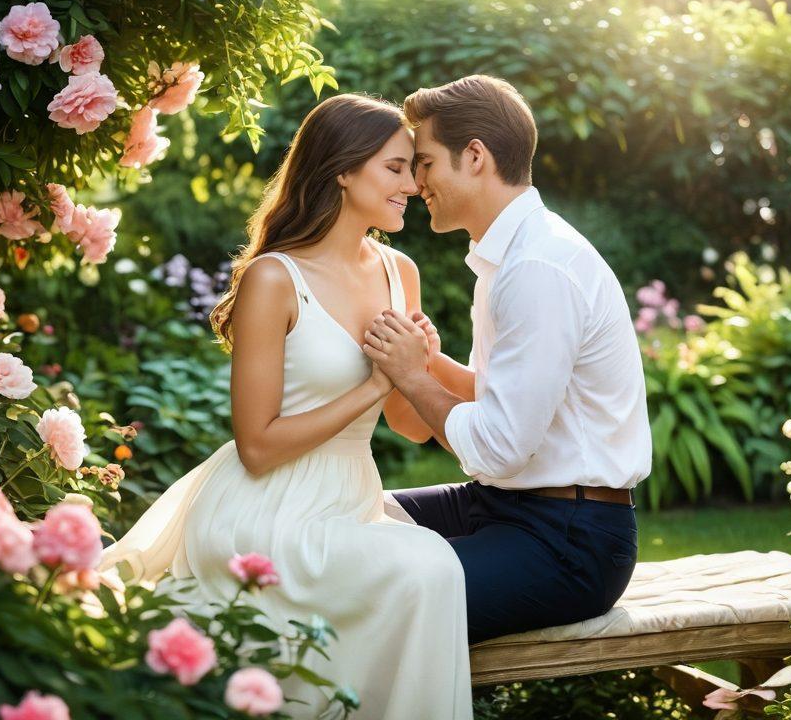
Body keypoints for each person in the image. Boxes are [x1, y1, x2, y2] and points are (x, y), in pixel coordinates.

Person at [98, 94, 473, 720]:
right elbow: (258, 444)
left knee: (426, 568)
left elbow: (408, 430)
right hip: (265, 505)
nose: (413, 184)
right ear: (344, 170)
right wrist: (376, 387)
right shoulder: (272, 279)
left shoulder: (398, 271)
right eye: (396, 168)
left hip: (349, 499)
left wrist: (418, 368)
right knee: (429, 563)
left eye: (413, 168)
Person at [364, 75, 653, 644]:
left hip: (570, 542)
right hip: (501, 507)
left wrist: (410, 373)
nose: (417, 185)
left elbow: (500, 445)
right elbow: (494, 401)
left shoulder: (537, 267)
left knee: (380, 598)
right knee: (339, 520)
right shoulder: (507, 258)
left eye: (424, 164)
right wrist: (432, 359)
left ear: (474, 157)